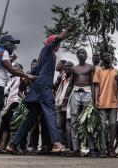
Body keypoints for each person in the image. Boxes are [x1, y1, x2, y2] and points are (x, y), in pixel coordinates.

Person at [6, 26, 73, 154]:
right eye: (55, 42)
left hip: (39, 87)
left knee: (31, 118)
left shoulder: (42, 55)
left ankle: (13, 144)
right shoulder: (48, 49)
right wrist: (65, 30)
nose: (58, 45)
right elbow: (58, 38)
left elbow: (35, 72)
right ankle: (56, 143)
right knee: (51, 112)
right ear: (51, 42)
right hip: (43, 88)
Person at [65, 49, 96, 157]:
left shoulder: (91, 67)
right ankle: (75, 149)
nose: (82, 54)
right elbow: (70, 84)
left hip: (88, 92)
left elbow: (93, 83)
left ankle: (91, 149)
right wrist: (65, 97)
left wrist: (94, 97)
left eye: (84, 53)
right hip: (76, 92)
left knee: (89, 121)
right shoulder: (74, 69)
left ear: (87, 56)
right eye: (80, 53)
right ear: (77, 56)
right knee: (74, 121)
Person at [93, 52, 118, 157]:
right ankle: (103, 150)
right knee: (102, 126)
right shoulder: (98, 71)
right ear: (102, 59)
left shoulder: (116, 71)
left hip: (113, 102)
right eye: (105, 56)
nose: (108, 57)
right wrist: (96, 100)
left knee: (113, 125)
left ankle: (111, 149)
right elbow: (96, 86)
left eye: (109, 56)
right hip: (102, 101)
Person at [0, 63, 25, 153]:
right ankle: (3, 146)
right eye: (14, 66)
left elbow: (20, 91)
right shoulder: (10, 79)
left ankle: (10, 146)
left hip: (15, 102)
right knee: (5, 125)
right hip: (7, 103)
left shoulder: (20, 78)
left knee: (11, 125)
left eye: (17, 66)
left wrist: (25, 100)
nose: (14, 67)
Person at [55, 61, 73, 149]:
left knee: (68, 126)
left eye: (69, 66)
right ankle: (64, 145)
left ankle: (71, 146)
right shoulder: (62, 78)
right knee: (59, 126)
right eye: (66, 66)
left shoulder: (74, 79)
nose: (67, 68)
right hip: (60, 105)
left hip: (70, 105)